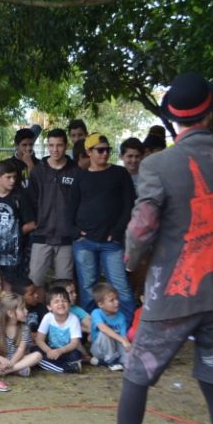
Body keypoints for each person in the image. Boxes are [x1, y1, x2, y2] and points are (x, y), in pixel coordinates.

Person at [116, 47, 213, 424]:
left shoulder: (157, 165)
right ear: (209, 114)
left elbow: (141, 228)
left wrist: (131, 261)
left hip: (172, 296)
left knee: (137, 374)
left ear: (173, 118)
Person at [69, 132, 137, 320]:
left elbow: (129, 205)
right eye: (100, 150)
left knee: (120, 285)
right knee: (87, 286)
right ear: (89, 152)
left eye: (107, 150)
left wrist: (117, 231)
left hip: (111, 242)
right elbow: (71, 207)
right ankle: (91, 326)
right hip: (85, 241)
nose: (105, 153)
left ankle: (127, 327)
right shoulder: (81, 176)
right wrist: (75, 232)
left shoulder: (120, 173)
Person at [27, 128, 77, 290]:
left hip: (66, 237)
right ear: (47, 146)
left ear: (66, 145)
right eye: (51, 145)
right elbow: (31, 201)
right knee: (34, 283)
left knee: (65, 286)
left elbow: (80, 202)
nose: (55, 149)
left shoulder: (75, 171)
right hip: (42, 234)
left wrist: (75, 228)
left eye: (59, 145)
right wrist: (35, 223)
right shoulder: (38, 171)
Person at [0, 292, 41, 378]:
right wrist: (1, 359)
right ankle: (17, 369)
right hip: (0, 360)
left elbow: (21, 350)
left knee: (38, 356)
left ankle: (3, 371)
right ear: (10, 313)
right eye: (22, 309)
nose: (26, 311)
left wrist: (11, 363)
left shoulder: (25, 328)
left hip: (17, 359)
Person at [35, 286, 83, 374]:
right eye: (56, 302)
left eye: (64, 301)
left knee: (76, 355)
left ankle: (53, 364)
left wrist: (60, 351)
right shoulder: (47, 317)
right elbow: (39, 339)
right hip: (50, 349)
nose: (61, 304)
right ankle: (66, 368)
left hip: (66, 351)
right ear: (49, 307)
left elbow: (74, 343)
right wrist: (49, 351)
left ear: (69, 304)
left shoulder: (74, 319)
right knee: (34, 351)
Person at [89, 283, 130, 371]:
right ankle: (111, 361)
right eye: (112, 300)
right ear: (101, 304)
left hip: (115, 350)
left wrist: (127, 345)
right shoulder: (96, 313)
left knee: (129, 359)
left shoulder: (121, 316)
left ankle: (103, 362)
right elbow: (103, 328)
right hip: (99, 350)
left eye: (117, 299)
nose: (116, 302)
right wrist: (123, 340)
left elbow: (123, 337)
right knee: (105, 333)